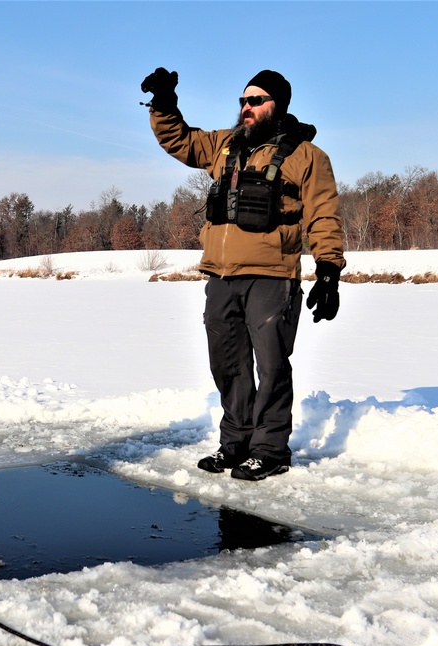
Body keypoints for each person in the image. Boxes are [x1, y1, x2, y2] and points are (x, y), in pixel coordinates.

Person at [141, 67, 345, 481]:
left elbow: (324, 213)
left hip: (272, 276)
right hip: (220, 276)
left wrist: (328, 270)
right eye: (242, 101)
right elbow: (178, 140)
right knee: (228, 364)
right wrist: (164, 103)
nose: (246, 108)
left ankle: (269, 449)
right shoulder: (223, 145)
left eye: (255, 101)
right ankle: (234, 444)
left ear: (277, 106)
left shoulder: (307, 156)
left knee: (271, 364)